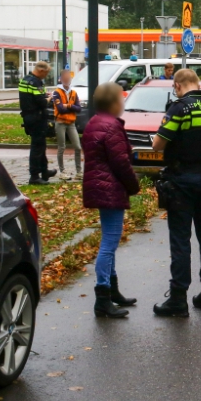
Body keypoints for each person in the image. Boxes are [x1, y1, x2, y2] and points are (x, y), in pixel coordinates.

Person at [152, 69, 201, 317]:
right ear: (197, 83)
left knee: (181, 241)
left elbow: (158, 144)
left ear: (177, 85)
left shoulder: (179, 108)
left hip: (182, 181)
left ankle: (178, 299)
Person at [81, 82, 141, 319]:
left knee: (110, 241)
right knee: (109, 244)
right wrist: (134, 185)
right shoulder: (112, 127)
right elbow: (120, 163)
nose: (124, 103)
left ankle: (112, 291)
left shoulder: (95, 122)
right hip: (111, 189)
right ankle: (103, 297)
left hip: (100, 187)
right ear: (114, 103)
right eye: (122, 99)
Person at [18, 61, 57, 185]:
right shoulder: (36, 82)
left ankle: (44, 171)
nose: (46, 76)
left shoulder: (25, 80)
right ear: (41, 71)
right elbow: (42, 102)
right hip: (37, 118)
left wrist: (43, 95)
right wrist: (50, 98)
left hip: (29, 116)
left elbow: (31, 97)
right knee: (37, 147)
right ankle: (34, 176)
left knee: (41, 145)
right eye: (46, 73)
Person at [52, 69, 83, 179]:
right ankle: (62, 171)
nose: (67, 79)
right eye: (64, 77)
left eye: (68, 78)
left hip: (71, 123)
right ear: (61, 79)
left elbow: (79, 108)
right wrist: (70, 107)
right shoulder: (57, 93)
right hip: (60, 122)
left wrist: (68, 106)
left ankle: (79, 172)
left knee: (78, 147)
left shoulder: (73, 93)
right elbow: (60, 109)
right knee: (62, 147)